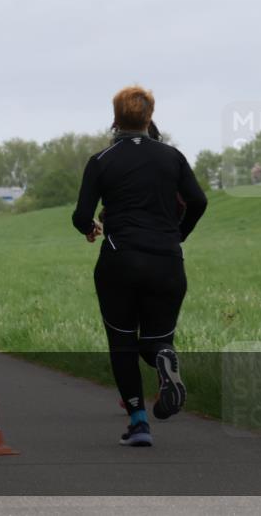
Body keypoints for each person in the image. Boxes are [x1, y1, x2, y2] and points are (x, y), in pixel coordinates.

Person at [72, 85, 208, 447]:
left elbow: (81, 215)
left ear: (115, 119)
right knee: (156, 339)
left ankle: (138, 422)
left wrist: (91, 228)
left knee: (122, 341)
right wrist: (178, 235)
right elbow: (198, 200)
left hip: (121, 259)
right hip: (167, 260)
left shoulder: (101, 161)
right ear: (150, 117)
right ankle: (164, 358)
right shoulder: (173, 157)